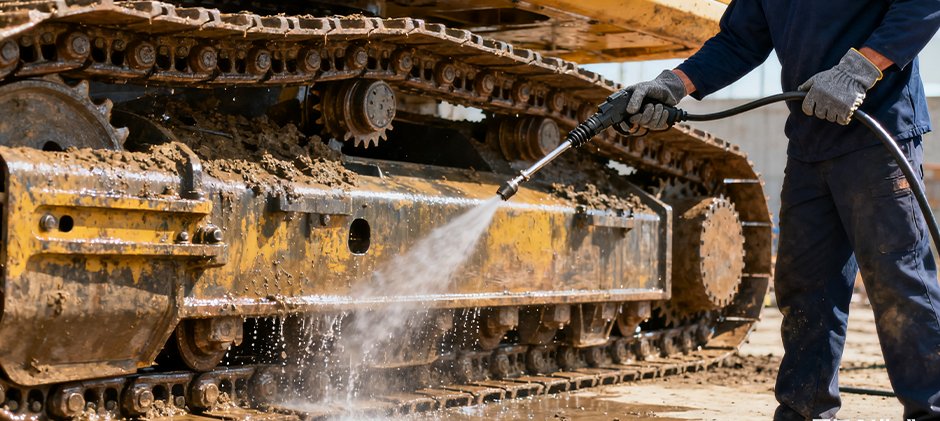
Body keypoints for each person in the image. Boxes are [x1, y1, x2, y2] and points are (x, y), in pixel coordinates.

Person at [622, 1, 940, 419]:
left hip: (877, 137)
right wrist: (675, 83)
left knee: (899, 284)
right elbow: (740, 40)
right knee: (805, 289)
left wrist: (859, 69)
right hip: (810, 144)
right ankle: (804, 412)